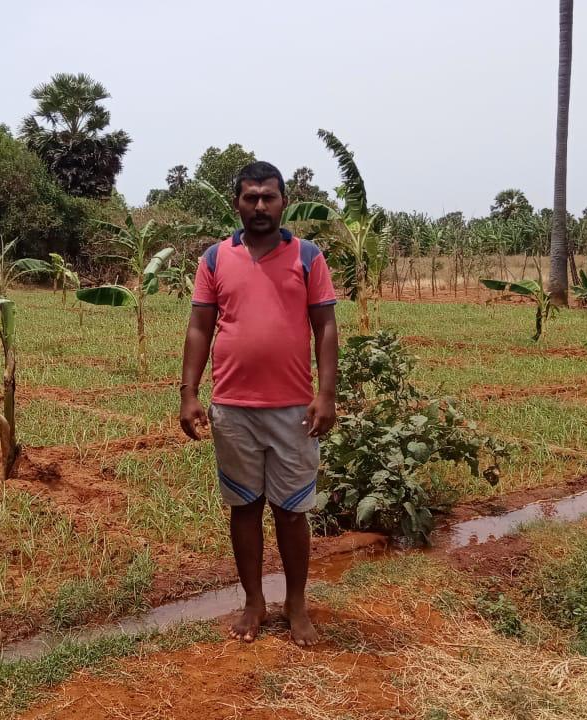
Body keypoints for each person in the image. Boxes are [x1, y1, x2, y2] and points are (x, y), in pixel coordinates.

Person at [178, 161, 339, 647]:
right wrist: (189, 392)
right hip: (232, 408)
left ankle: (296, 603)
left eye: (269, 197)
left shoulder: (307, 257)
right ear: (237, 203)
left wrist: (326, 394)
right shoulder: (214, 258)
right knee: (244, 509)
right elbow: (200, 327)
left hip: (294, 410)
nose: (261, 206)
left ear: (284, 202)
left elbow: (325, 327)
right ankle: (254, 601)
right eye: (251, 197)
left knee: (291, 512)